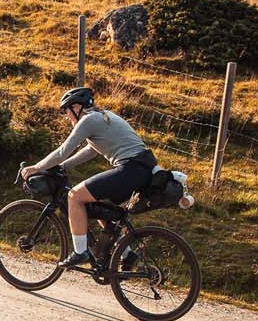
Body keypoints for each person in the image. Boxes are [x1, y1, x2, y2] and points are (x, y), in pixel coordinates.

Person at [20, 87, 156, 269]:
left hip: (130, 169)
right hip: (141, 169)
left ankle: (80, 252)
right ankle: (127, 254)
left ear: (76, 107)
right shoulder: (102, 116)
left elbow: (62, 151)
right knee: (99, 206)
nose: (66, 116)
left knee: (74, 196)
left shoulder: (89, 120)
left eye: (66, 111)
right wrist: (63, 166)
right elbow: (91, 150)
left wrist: (36, 167)